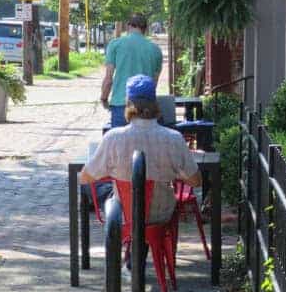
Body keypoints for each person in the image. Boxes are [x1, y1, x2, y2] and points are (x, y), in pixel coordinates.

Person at [81, 75, 202, 223]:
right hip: (162, 216)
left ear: (128, 103)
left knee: (93, 187)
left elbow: (86, 177)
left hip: (125, 215)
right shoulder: (174, 138)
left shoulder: (113, 138)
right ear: (156, 103)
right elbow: (195, 181)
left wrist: (112, 172)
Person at [101, 13, 163, 128]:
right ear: (145, 28)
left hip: (121, 104)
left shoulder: (115, 44)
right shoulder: (155, 50)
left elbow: (108, 79)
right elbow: (153, 83)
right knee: (146, 144)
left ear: (128, 26)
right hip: (147, 107)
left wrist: (104, 98)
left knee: (120, 144)